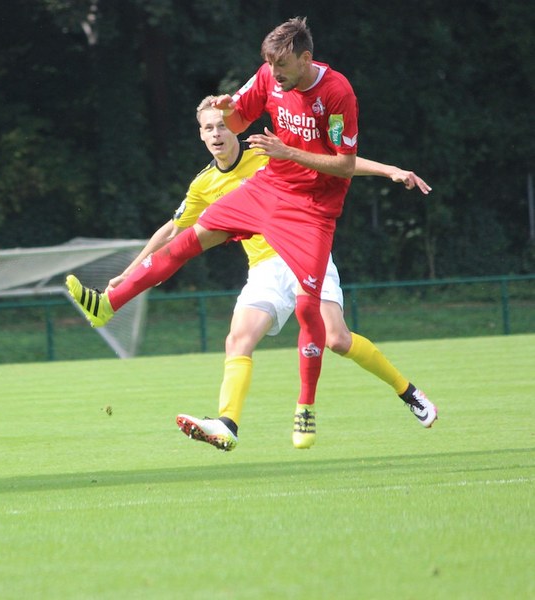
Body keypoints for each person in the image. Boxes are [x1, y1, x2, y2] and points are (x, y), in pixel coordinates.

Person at [67, 17, 363, 449]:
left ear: (305, 58)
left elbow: (346, 165)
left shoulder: (332, 97)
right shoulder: (262, 87)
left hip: (308, 216)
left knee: (323, 324)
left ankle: (310, 409)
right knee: (192, 252)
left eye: (281, 65)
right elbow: (237, 123)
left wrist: (289, 151)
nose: (274, 74)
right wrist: (229, 112)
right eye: (269, 65)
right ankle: (109, 306)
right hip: (269, 208)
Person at [101, 95, 436, 453]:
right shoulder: (203, 184)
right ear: (201, 135)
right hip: (264, 269)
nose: (217, 134)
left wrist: (389, 170)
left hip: (305, 252)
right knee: (238, 340)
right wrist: (129, 272)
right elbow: (172, 230)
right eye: (209, 128)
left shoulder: (267, 152)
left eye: (222, 125)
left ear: (235, 127)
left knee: (337, 339)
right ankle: (227, 424)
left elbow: (336, 164)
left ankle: (409, 393)